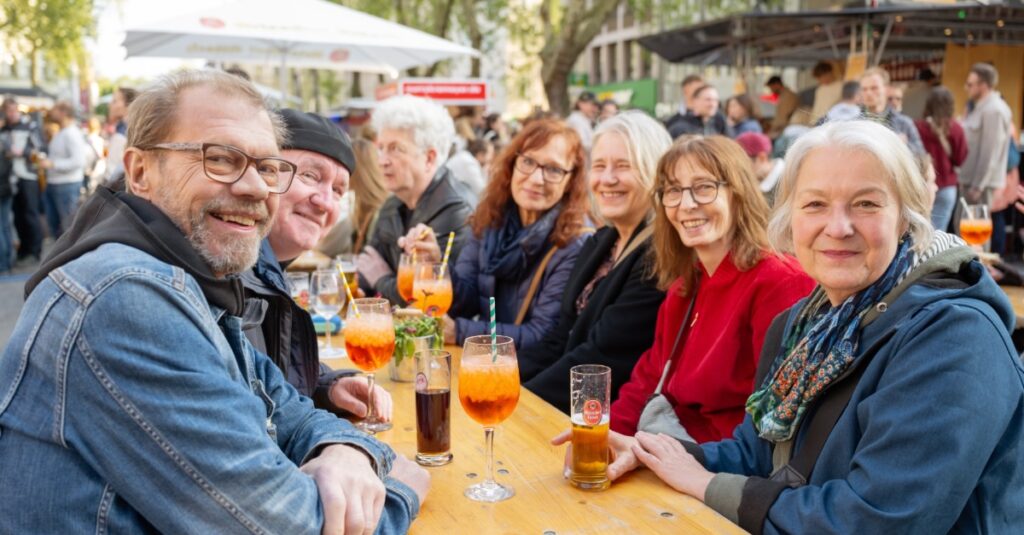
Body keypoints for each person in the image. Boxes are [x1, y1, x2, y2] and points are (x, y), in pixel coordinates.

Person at [0, 69, 429, 534]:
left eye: (267, 168)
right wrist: (402, 486)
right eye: (221, 159)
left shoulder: (193, 276)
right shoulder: (127, 296)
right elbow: (287, 526)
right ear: (141, 171)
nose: (255, 188)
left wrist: (349, 451)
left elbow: (283, 406)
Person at [588, 120, 1024, 533]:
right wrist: (655, 454)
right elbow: (757, 452)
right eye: (815, 204)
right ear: (790, 218)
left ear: (906, 218)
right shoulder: (806, 322)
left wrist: (704, 484)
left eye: (866, 204)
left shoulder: (955, 340)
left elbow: (877, 521)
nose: (837, 227)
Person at [606, 135, 814, 443]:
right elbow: (647, 380)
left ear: (737, 192)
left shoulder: (780, 282)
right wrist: (604, 439)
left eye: (704, 187)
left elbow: (778, 416)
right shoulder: (685, 286)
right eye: (673, 191)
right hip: (670, 450)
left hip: (721, 470)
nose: (686, 205)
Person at [240, 108, 392, 421]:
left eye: (338, 190)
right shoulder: (230, 270)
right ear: (265, 173)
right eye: (310, 176)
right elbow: (260, 418)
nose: (324, 202)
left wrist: (328, 386)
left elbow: (270, 377)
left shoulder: (264, 270)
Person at [519, 111, 671, 412]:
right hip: (566, 405)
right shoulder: (601, 241)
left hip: (606, 423)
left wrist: (523, 405)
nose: (607, 179)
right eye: (599, 166)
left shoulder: (659, 255)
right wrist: (506, 381)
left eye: (623, 166)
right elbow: (560, 337)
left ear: (654, 173)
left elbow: (602, 358)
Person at [406, 119, 590, 350]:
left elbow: (542, 336)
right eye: (528, 162)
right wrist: (436, 265)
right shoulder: (492, 219)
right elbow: (466, 302)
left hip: (525, 379)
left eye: (553, 169)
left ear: (571, 180)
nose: (535, 178)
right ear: (512, 164)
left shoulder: (574, 242)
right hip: (485, 366)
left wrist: (459, 332)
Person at [355, 94, 472, 306]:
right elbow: (366, 268)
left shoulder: (456, 210)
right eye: (380, 148)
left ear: (429, 158)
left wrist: (381, 279)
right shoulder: (392, 205)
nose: (381, 161)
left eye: (395, 149)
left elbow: (428, 300)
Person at [317, 137, 390, 257]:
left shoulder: (382, 213)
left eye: (344, 165)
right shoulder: (362, 210)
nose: (338, 172)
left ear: (357, 170)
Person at [914, 86, 968, 232]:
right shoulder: (956, 128)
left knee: (919, 229)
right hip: (948, 186)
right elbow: (960, 159)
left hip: (923, 183)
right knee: (939, 231)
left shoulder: (918, 127)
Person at [960, 62, 1013, 207]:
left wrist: (978, 186)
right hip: (971, 183)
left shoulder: (993, 110)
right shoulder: (981, 107)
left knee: (972, 228)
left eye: (970, 84)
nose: (966, 88)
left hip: (978, 187)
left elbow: (990, 152)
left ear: (983, 85)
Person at [36, 100, 87, 238]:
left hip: (66, 185)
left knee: (68, 228)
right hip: (56, 184)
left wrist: (52, 164)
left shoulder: (71, 133)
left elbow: (79, 161)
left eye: (55, 109)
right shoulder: (62, 132)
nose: (51, 112)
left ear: (63, 113)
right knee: (58, 226)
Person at [2, 97, 44, 264]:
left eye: (13, 111)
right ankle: (24, 250)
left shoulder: (30, 127)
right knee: (18, 215)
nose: (11, 114)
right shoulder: (4, 129)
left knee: (30, 213)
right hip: (10, 178)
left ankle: (35, 251)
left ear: (18, 110)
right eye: (8, 111)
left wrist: (23, 152)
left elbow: (40, 148)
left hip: (28, 176)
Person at [858, 67, 925, 155]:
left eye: (874, 88)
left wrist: (902, 145)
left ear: (886, 89)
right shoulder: (853, 124)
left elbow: (921, 155)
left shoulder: (903, 123)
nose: (868, 93)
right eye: (864, 89)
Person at [735, 131, 784, 205]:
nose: (739, 170)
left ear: (762, 158)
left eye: (742, 163)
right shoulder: (757, 179)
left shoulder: (788, 183)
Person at [104, 86, 137, 185]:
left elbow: (112, 173)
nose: (109, 105)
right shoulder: (132, 129)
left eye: (114, 101)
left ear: (128, 105)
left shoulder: (123, 134)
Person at [445, 137, 490, 203]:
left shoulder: (465, 156)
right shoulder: (469, 163)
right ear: (480, 154)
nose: (491, 158)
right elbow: (483, 193)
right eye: (490, 154)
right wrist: (485, 172)